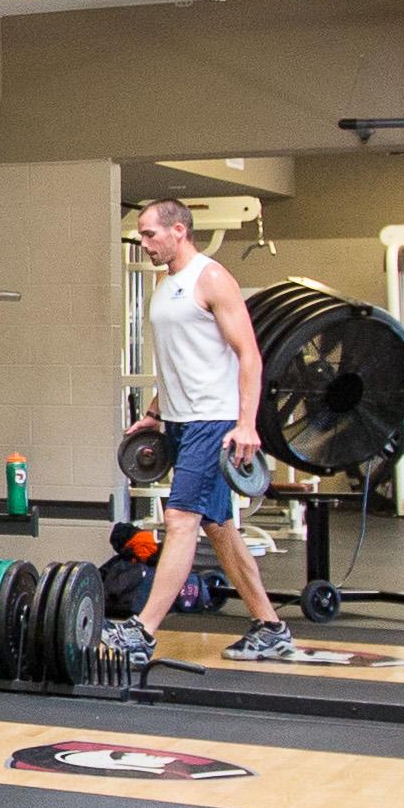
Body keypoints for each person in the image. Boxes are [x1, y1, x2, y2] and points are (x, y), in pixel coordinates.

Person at [110, 196, 292, 665]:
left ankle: (142, 631)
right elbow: (180, 361)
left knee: (180, 519)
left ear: (178, 231)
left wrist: (247, 423)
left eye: (150, 233)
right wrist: (155, 411)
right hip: (180, 420)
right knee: (219, 527)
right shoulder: (165, 285)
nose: (144, 242)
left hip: (213, 422)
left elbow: (249, 355)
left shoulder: (210, 278)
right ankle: (270, 626)